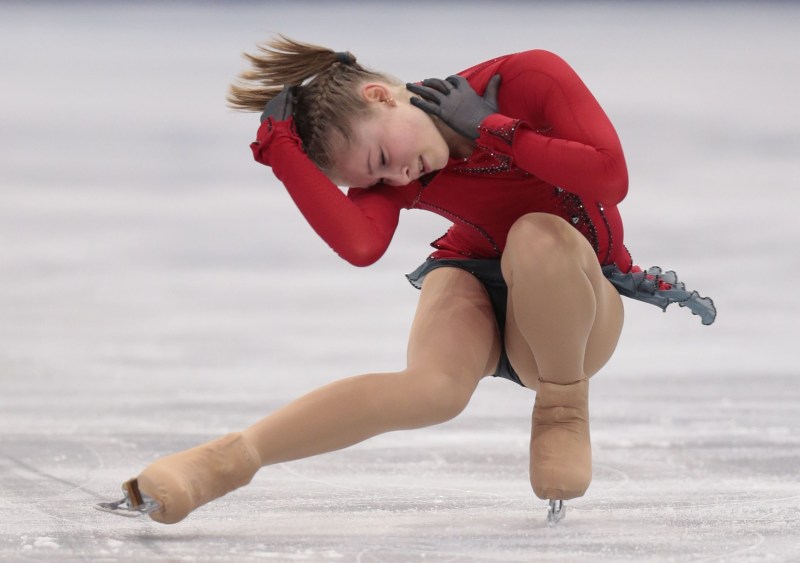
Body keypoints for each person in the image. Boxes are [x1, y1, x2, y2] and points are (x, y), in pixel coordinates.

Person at [102, 36, 715, 524]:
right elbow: (363, 245)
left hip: (572, 299)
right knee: (432, 391)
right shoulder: (401, 169)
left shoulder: (527, 78)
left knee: (536, 233)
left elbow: (609, 177)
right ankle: (226, 461)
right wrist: (285, 156)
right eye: (378, 179)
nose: (397, 178)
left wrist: (498, 128)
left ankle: (561, 408)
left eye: (380, 162)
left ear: (382, 95)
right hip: (473, 275)